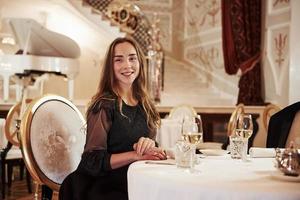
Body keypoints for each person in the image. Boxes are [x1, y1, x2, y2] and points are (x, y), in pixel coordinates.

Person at [59, 37, 166, 200]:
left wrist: (150, 145)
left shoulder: (145, 104)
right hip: (102, 187)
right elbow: (91, 161)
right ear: (111, 66)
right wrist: (135, 155)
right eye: (119, 60)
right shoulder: (104, 105)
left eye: (132, 58)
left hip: (133, 180)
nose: (127, 65)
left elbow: (148, 149)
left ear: (140, 63)